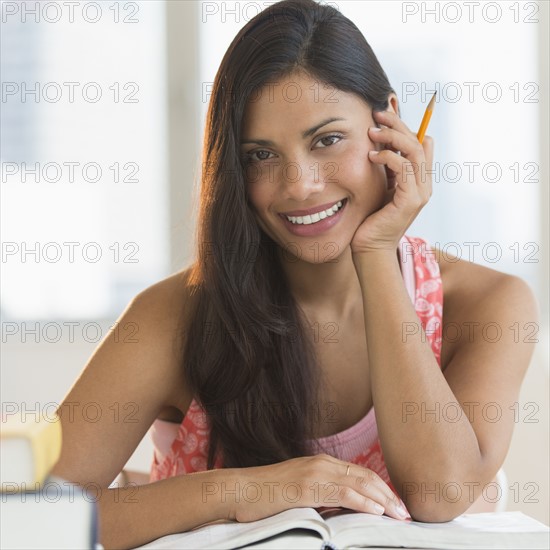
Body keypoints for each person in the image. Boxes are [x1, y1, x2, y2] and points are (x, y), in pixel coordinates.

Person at [50, 0, 539, 548]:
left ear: (390, 127)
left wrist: (375, 251)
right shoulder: (175, 316)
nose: (299, 184)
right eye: (261, 155)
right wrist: (241, 492)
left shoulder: (489, 303)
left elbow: (439, 492)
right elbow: (33, 516)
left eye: (327, 140)